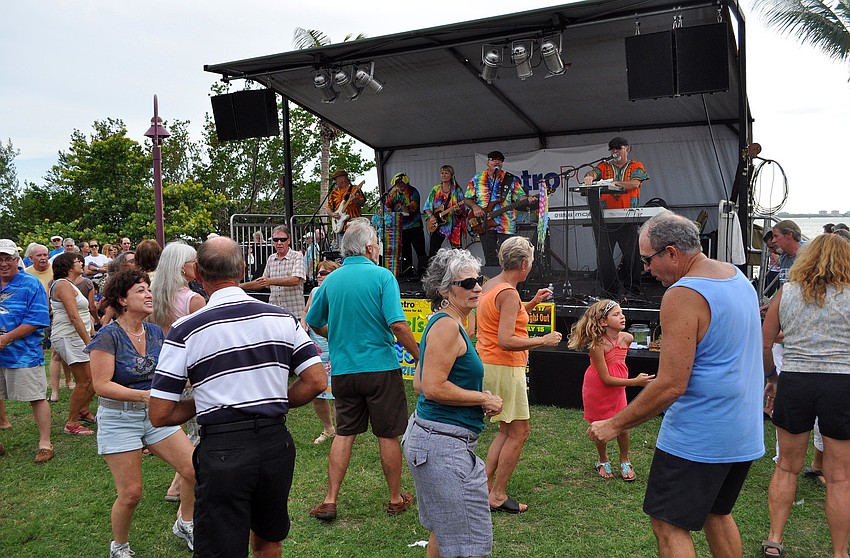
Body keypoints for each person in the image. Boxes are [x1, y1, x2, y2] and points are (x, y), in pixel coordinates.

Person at [587, 211, 764, 558]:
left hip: (700, 434)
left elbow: (671, 384)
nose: (647, 270)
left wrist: (614, 423)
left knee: (668, 524)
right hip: (742, 429)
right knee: (717, 513)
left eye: (647, 261)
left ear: (671, 252)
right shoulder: (737, 278)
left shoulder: (683, 293)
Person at [149, 236, 327, 558]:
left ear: (199, 276)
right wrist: (273, 400)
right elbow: (316, 381)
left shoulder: (185, 329)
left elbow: (159, 413)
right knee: (269, 539)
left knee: (220, 549)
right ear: (243, 269)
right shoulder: (281, 318)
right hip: (275, 443)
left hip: (222, 449)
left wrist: (204, 402)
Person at [305, 217, 420, 521]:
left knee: (344, 433)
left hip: (344, 370)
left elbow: (314, 321)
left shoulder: (330, 280)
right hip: (380, 368)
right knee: (387, 434)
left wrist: (337, 336)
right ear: (370, 247)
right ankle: (396, 498)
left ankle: (330, 500)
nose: (379, 248)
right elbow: (397, 324)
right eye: (378, 244)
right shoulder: (383, 277)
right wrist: (420, 354)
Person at [87, 270, 195, 557]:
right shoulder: (108, 336)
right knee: (131, 493)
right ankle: (119, 546)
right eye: (140, 290)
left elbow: (169, 371)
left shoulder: (156, 332)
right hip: (119, 418)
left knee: (194, 470)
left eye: (148, 289)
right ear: (122, 299)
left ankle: (186, 523)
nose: (148, 294)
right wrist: (145, 395)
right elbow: (101, 385)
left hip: (154, 416)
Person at [403, 247, 503, 558]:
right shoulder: (447, 325)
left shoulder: (441, 321)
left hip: (431, 440)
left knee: (445, 532)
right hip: (443, 446)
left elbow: (420, 382)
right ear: (445, 290)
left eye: (479, 280)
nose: (477, 287)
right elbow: (431, 387)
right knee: (471, 546)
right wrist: (482, 398)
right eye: (467, 283)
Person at [761, 233, 850, 558]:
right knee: (840, 478)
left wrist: (772, 378)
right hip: (841, 384)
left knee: (786, 466)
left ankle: (775, 539)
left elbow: (765, 343)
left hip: (796, 381)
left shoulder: (788, 292)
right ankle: (840, 553)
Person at [476, 236, 561, 513]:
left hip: (491, 364)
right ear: (524, 264)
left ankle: (484, 486)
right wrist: (542, 341)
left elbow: (505, 316)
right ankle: (497, 494)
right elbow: (506, 339)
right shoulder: (509, 293)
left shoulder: (493, 284)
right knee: (519, 431)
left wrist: (533, 303)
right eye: (532, 262)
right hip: (504, 364)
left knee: (506, 429)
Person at [567, 299, 654, 480]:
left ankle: (624, 460)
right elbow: (606, 379)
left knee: (623, 424)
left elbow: (619, 365)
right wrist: (635, 382)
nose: (622, 317)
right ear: (603, 322)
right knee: (601, 423)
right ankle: (603, 459)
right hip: (599, 388)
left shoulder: (627, 338)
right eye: (616, 314)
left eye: (622, 313)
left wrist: (628, 381)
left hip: (618, 387)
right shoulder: (597, 345)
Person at [150, 241, 206, 503]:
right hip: (190, 372)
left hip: (163, 370)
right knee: (196, 432)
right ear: (181, 268)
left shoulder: (154, 297)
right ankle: (180, 487)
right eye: (192, 261)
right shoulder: (193, 300)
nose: (197, 266)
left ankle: (177, 484)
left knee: (185, 431)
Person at [0, 239, 54, 463]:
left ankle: (45, 443)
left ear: (16, 260)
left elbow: (37, 319)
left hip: (23, 353)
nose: (3, 263)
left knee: (36, 396)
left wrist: (7, 338)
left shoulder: (31, 284)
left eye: (7, 259)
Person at [582, 136, 649, 298]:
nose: (615, 151)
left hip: (627, 218)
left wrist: (614, 183)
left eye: (619, 148)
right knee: (604, 256)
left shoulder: (636, 166)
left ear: (628, 149)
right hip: (605, 220)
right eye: (612, 149)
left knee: (632, 256)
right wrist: (589, 176)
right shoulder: (604, 166)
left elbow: (635, 183)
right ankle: (609, 290)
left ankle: (634, 291)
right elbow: (593, 172)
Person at [50, 252, 97, 435]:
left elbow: (83, 315)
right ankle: (71, 423)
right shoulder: (62, 285)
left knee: (95, 378)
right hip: (69, 337)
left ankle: (83, 410)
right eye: (78, 261)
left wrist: (92, 334)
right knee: (84, 380)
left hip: (77, 337)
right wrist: (89, 342)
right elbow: (73, 316)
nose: (81, 263)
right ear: (68, 266)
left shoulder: (71, 285)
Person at [464, 151, 534, 267]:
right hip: (484, 223)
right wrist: (475, 207)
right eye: (493, 159)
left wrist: (528, 199)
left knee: (507, 257)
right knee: (490, 257)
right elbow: (467, 198)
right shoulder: (477, 178)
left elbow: (520, 196)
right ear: (488, 162)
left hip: (505, 224)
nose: (497, 161)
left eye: (500, 160)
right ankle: (493, 282)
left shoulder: (510, 179)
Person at [300, 259, 341, 445]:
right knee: (316, 392)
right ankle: (328, 429)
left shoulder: (338, 293)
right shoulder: (315, 292)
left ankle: (341, 433)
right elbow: (306, 311)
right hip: (315, 349)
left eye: (324, 273)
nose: (319, 275)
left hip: (334, 348)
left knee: (337, 395)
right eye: (318, 272)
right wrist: (302, 323)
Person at [240, 225, 306, 317]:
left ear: (289, 240)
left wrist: (270, 281)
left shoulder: (297, 256)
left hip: (294, 313)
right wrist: (239, 286)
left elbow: (296, 280)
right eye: (275, 240)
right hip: (275, 313)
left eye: (282, 240)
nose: (279, 243)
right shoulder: (271, 258)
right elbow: (261, 283)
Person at [384, 172, 427, 277]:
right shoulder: (394, 193)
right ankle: (408, 272)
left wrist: (404, 207)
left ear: (406, 182)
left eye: (401, 182)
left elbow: (413, 207)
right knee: (405, 251)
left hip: (414, 225)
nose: (399, 185)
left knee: (420, 250)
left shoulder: (413, 192)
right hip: (401, 226)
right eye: (397, 183)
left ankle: (423, 273)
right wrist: (389, 209)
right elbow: (387, 205)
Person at [424, 164, 467, 259]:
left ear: (451, 175)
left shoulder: (457, 191)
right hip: (437, 225)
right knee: (433, 251)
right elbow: (427, 207)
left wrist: (458, 211)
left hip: (453, 225)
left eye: (446, 173)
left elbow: (462, 212)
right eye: (442, 173)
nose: (443, 175)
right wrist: (431, 217)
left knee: (457, 252)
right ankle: (433, 271)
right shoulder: (435, 189)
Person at [324, 169, 366, 238]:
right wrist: (332, 214)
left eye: (336, 179)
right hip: (341, 226)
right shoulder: (333, 193)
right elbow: (328, 208)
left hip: (355, 225)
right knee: (343, 247)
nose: (335, 182)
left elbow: (362, 203)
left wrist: (355, 200)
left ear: (343, 178)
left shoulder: (355, 189)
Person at [771, 220, 803, 286]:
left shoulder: (807, 257)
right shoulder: (784, 257)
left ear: (789, 235)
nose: (773, 241)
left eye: (776, 236)